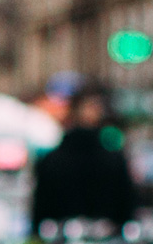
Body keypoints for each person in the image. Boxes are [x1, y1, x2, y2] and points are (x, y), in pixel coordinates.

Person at [30, 85, 141, 230]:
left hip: (61, 242)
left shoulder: (52, 159)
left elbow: (41, 211)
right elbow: (126, 208)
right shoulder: (113, 159)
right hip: (106, 242)